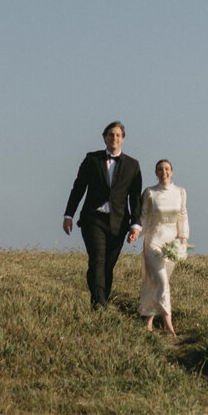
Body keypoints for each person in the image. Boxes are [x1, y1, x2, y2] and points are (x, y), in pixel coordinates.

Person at [63, 121, 143, 311]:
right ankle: (99, 303)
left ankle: (101, 299)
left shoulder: (133, 165)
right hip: (94, 219)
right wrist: (69, 214)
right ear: (104, 138)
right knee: (97, 259)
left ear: (122, 139)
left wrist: (136, 224)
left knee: (108, 264)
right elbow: (78, 188)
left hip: (119, 221)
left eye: (117, 135)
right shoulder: (92, 160)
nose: (113, 138)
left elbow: (135, 197)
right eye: (110, 135)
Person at [138, 158, 189, 338]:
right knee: (162, 282)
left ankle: (148, 320)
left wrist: (183, 239)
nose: (164, 172)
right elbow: (144, 216)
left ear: (172, 171)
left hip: (172, 243)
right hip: (154, 240)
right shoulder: (150, 192)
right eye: (160, 169)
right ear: (156, 173)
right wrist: (136, 231)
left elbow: (182, 216)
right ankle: (169, 325)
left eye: (167, 169)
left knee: (156, 280)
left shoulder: (180, 192)